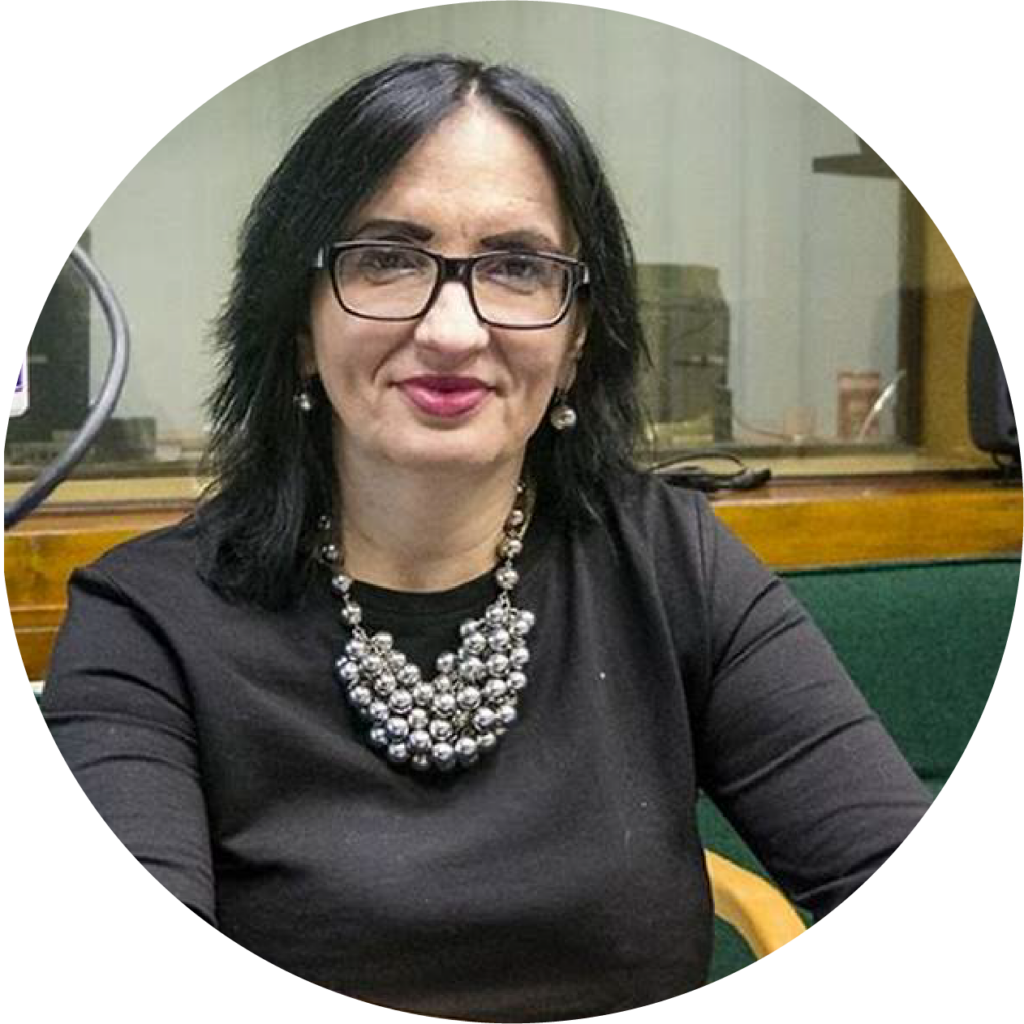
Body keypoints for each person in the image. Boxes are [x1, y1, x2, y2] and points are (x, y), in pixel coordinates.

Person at [41, 55, 932, 1021]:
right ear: (299, 320)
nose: (454, 329)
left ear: (580, 331)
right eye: (386, 257)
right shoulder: (145, 623)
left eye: (516, 266)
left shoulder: (678, 565)